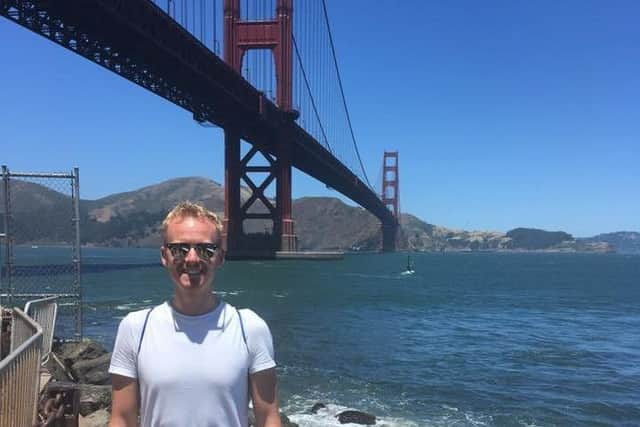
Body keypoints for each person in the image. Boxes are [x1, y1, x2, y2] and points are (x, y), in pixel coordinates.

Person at [108, 201, 281, 427]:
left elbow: (268, 417)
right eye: (179, 249)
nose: (191, 259)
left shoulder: (250, 328)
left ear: (220, 257)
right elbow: (121, 418)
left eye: (205, 249)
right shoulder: (135, 328)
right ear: (164, 256)